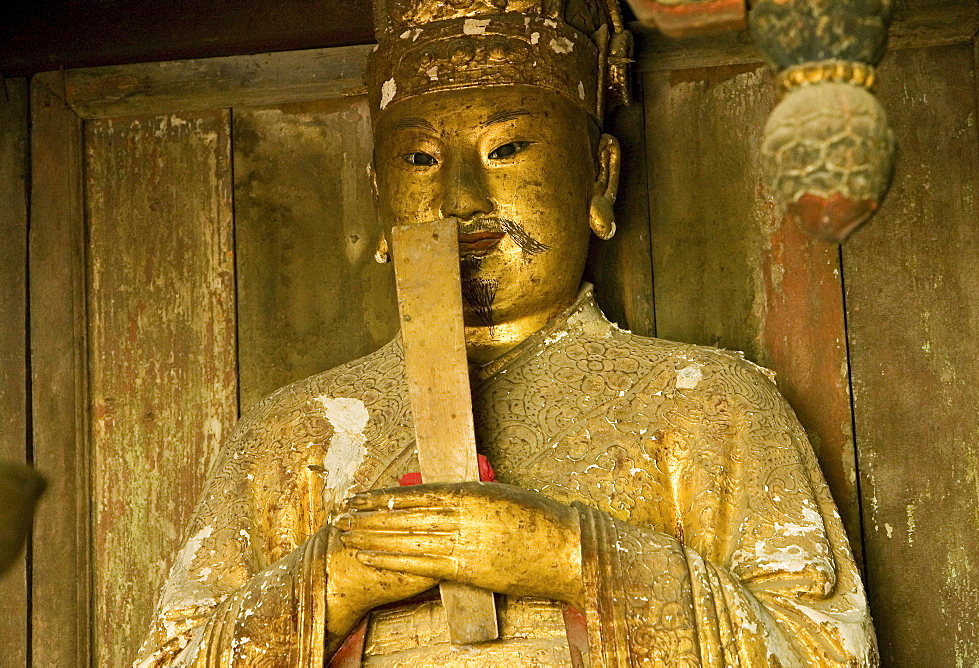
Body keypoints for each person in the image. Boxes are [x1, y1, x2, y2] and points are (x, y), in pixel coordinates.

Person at [136, 0, 877, 663]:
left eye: (508, 150)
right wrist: (332, 581)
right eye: (420, 159)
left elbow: (825, 651)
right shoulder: (293, 435)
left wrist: (569, 556)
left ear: (600, 177)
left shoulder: (705, 403)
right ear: (378, 195)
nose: (459, 199)